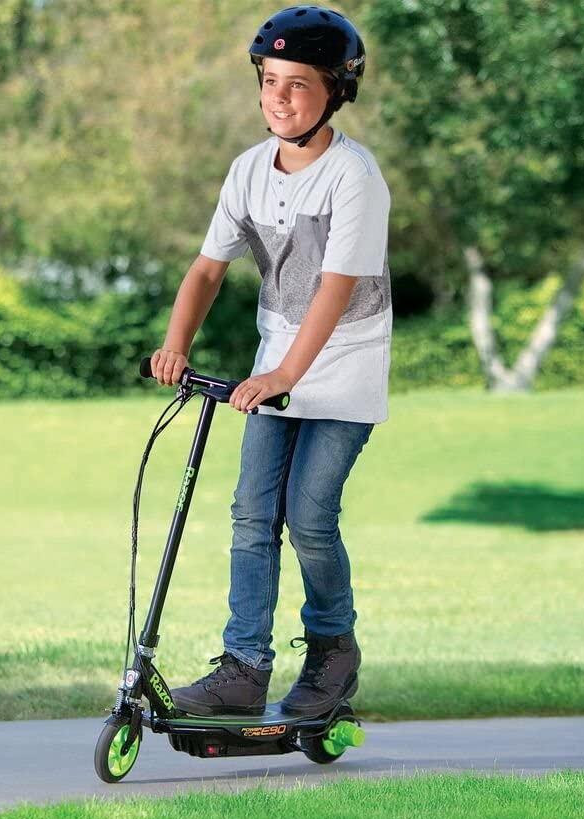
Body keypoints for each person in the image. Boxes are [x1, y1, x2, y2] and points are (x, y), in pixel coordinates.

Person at [150, 5, 391, 718]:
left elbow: (334, 289)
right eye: (269, 82)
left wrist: (288, 374)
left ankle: (331, 650)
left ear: (336, 93)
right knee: (252, 516)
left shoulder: (354, 177)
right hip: (274, 371)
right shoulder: (249, 170)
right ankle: (244, 666)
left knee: (309, 515)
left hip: (341, 372)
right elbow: (205, 269)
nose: (279, 98)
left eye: (298, 85)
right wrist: (176, 345)